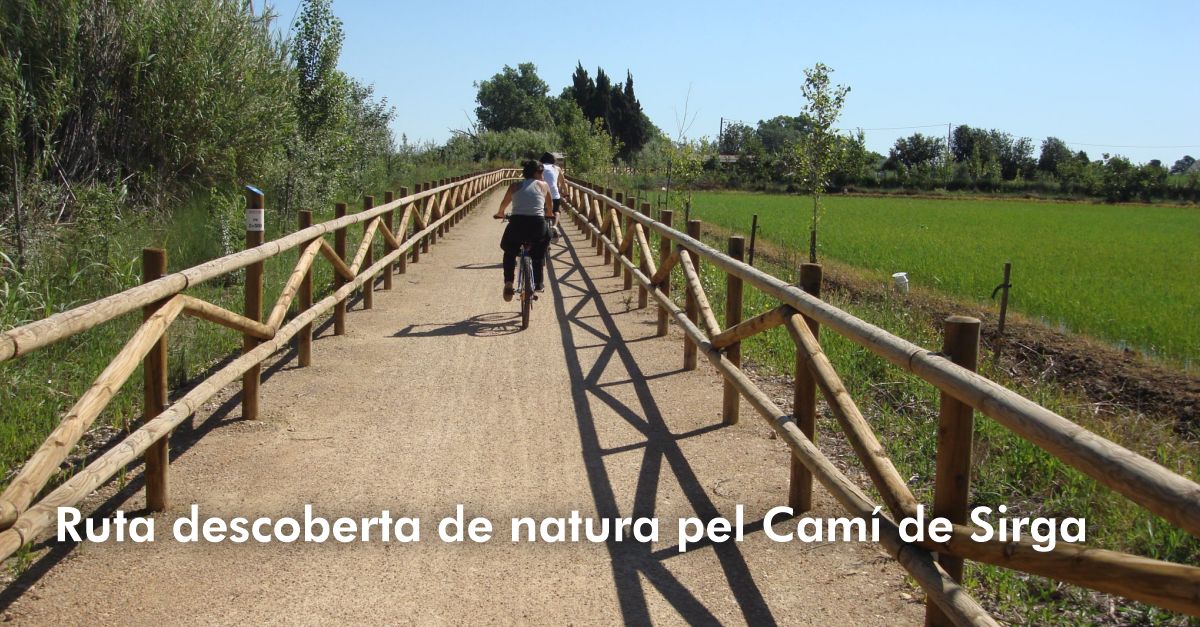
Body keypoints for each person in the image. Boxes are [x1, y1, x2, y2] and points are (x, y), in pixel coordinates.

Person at [494, 160, 555, 301]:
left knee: (509, 251)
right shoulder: (544, 186)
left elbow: (504, 203)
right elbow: (550, 206)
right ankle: (538, 283)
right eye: (541, 172)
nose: (543, 175)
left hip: (517, 224)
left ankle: (509, 282)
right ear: (535, 173)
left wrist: (500, 213)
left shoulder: (514, 186)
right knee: (540, 248)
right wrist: (549, 214)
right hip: (537, 225)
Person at [539, 152, 563, 242]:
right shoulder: (557, 168)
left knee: (540, 212)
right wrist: (566, 192)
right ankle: (555, 226)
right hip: (554, 194)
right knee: (556, 211)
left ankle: (541, 229)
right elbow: (562, 182)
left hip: (541, 194)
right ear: (553, 160)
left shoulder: (540, 167)